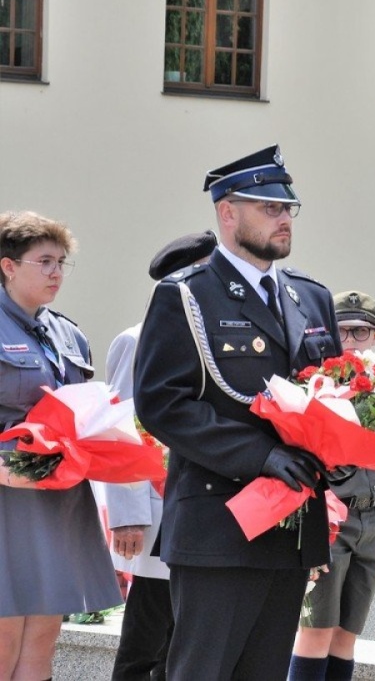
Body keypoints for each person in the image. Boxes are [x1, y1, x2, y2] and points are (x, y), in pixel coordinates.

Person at [134, 144, 341, 681]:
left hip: (291, 526)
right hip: (219, 524)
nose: (284, 219)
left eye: (288, 208)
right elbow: (162, 403)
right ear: (228, 213)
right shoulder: (187, 296)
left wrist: (344, 455)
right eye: (269, 208)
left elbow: (336, 398)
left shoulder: (310, 298)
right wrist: (260, 455)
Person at [0, 211, 123, 680]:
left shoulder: (66, 332)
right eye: (44, 261)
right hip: (7, 493)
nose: (56, 273)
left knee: (44, 633)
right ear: (8, 266)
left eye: (61, 262)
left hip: (58, 493)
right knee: (5, 632)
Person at [101, 229, 218, 681]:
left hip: (196, 508)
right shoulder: (137, 337)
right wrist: (128, 512)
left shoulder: (214, 337)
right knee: (145, 641)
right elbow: (121, 428)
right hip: (153, 509)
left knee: (181, 642)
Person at [288, 290, 375, 681]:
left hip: (373, 521)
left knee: (347, 634)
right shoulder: (316, 387)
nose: (351, 341)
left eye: (361, 331)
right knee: (316, 631)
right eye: (343, 332)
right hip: (332, 519)